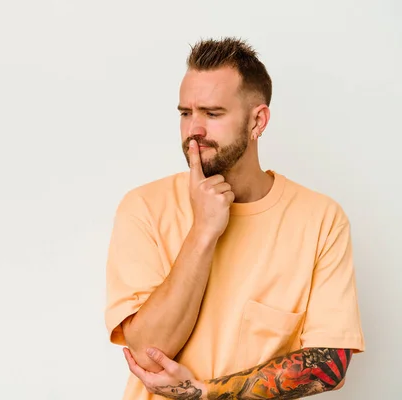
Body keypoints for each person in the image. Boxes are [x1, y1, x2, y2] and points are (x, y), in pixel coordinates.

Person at [104, 37, 365, 400]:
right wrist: (203, 230)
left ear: (258, 120)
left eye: (212, 114)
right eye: (185, 113)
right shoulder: (143, 207)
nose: (194, 129)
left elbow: (329, 364)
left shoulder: (321, 219)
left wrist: (205, 392)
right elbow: (148, 351)